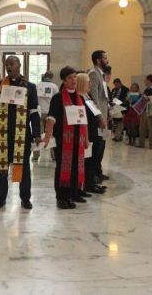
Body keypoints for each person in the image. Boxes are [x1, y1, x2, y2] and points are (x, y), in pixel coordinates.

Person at [0, 56, 41, 210]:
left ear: (19, 65)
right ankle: (1, 198)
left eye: (12, 64)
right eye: (6, 64)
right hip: (3, 134)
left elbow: (34, 112)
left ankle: (25, 198)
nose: (9, 66)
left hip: (22, 135)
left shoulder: (30, 87)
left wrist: (36, 133)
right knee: (2, 167)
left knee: (23, 167)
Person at [42, 67, 89, 209]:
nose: (73, 80)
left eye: (75, 77)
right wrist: (47, 137)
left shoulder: (80, 98)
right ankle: (61, 197)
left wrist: (86, 139)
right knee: (63, 167)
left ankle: (73, 194)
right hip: (64, 140)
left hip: (78, 140)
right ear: (64, 80)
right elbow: (51, 119)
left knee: (76, 167)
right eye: (70, 78)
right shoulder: (58, 98)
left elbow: (83, 120)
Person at [77, 72, 107, 196]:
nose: (90, 84)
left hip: (93, 131)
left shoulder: (87, 96)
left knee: (92, 160)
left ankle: (91, 183)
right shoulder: (80, 98)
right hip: (87, 133)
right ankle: (87, 185)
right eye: (88, 81)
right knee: (87, 161)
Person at [88, 50, 110, 182]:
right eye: (105, 58)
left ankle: (98, 171)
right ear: (98, 60)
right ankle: (94, 174)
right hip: (98, 119)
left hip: (104, 115)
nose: (107, 60)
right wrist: (100, 117)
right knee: (97, 147)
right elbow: (94, 98)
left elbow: (103, 97)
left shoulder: (101, 75)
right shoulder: (94, 74)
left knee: (101, 146)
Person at [34, 71, 59, 161]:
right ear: (52, 77)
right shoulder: (54, 86)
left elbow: (35, 99)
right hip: (50, 113)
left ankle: (36, 155)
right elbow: (57, 100)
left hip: (39, 112)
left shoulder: (38, 85)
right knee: (51, 134)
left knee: (38, 134)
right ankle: (53, 155)